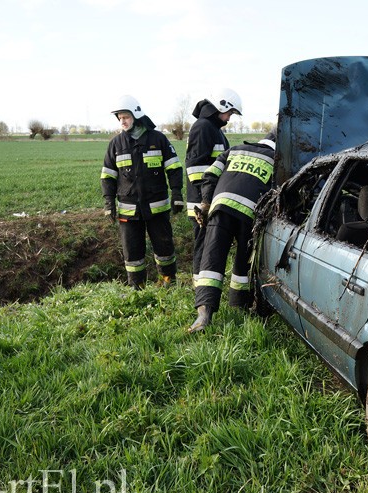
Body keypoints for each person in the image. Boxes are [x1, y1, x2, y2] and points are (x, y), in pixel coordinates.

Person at [188, 130, 277, 333]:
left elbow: (209, 175)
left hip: (221, 208)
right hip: (251, 215)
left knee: (211, 260)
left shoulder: (234, 150)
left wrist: (206, 203)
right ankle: (239, 305)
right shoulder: (277, 161)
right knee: (243, 261)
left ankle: (203, 316)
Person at [100, 95, 184, 289]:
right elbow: (108, 176)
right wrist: (108, 202)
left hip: (157, 209)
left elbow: (174, 168)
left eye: (125, 117)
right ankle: (137, 289)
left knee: (164, 249)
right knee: (132, 253)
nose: (122, 121)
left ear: (136, 116)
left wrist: (177, 194)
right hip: (129, 212)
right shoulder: (115, 144)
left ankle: (168, 283)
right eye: (120, 118)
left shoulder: (158, 139)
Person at [185, 88, 243, 299]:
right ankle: (198, 287)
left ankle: (201, 285)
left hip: (209, 198)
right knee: (202, 243)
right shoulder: (203, 127)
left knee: (206, 242)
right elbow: (195, 166)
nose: (229, 118)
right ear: (221, 106)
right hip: (201, 201)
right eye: (230, 113)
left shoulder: (214, 129)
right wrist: (205, 200)